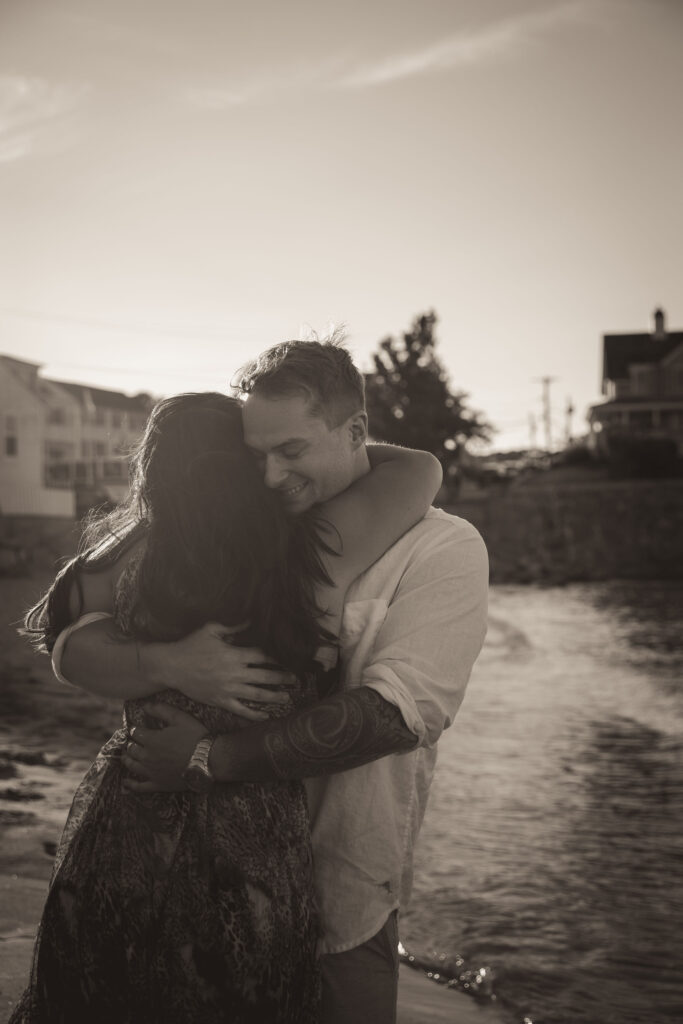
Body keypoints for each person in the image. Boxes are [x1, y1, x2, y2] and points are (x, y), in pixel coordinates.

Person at [55, 338, 489, 1024]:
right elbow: (72, 644)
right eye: (252, 456)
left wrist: (202, 757)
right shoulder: (261, 545)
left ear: (355, 433)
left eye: (290, 451)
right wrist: (169, 663)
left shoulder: (437, 545)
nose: (268, 476)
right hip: (198, 847)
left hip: (340, 866)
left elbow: (399, 715)